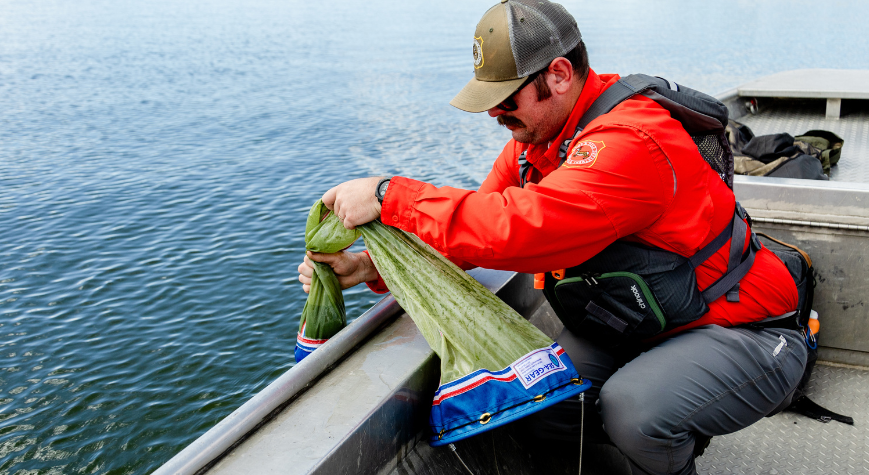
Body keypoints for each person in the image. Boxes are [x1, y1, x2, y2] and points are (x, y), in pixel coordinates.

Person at [297, 1, 807, 473]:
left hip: (743, 328)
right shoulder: (536, 143)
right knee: (540, 397)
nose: (494, 115)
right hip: (641, 322)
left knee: (634, 411)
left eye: (504, 99)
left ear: (558, 75)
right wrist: (371, 268)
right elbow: (475, 233)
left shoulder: (632, 141)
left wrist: (390, 196)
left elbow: (523, 228)